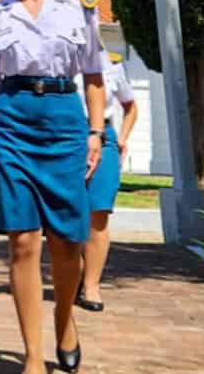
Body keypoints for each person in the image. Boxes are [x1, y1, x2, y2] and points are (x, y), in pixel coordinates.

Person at [0, 0, 106, 374]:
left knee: (67, 242)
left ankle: (65, 321)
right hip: (11, 120)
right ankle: (31, 356)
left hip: (65, 122)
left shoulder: (78, 10)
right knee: (23, 242)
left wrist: (95, 133)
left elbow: (93, 77)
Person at [76, 49, 137, 312]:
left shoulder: (111, 63)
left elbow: (131, 106)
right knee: (70, 212)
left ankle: (91, 285)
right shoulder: (57, 58)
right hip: (67, 136)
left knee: (98, 212)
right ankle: (74, 277)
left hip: (104, 137)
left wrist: (122, 138)